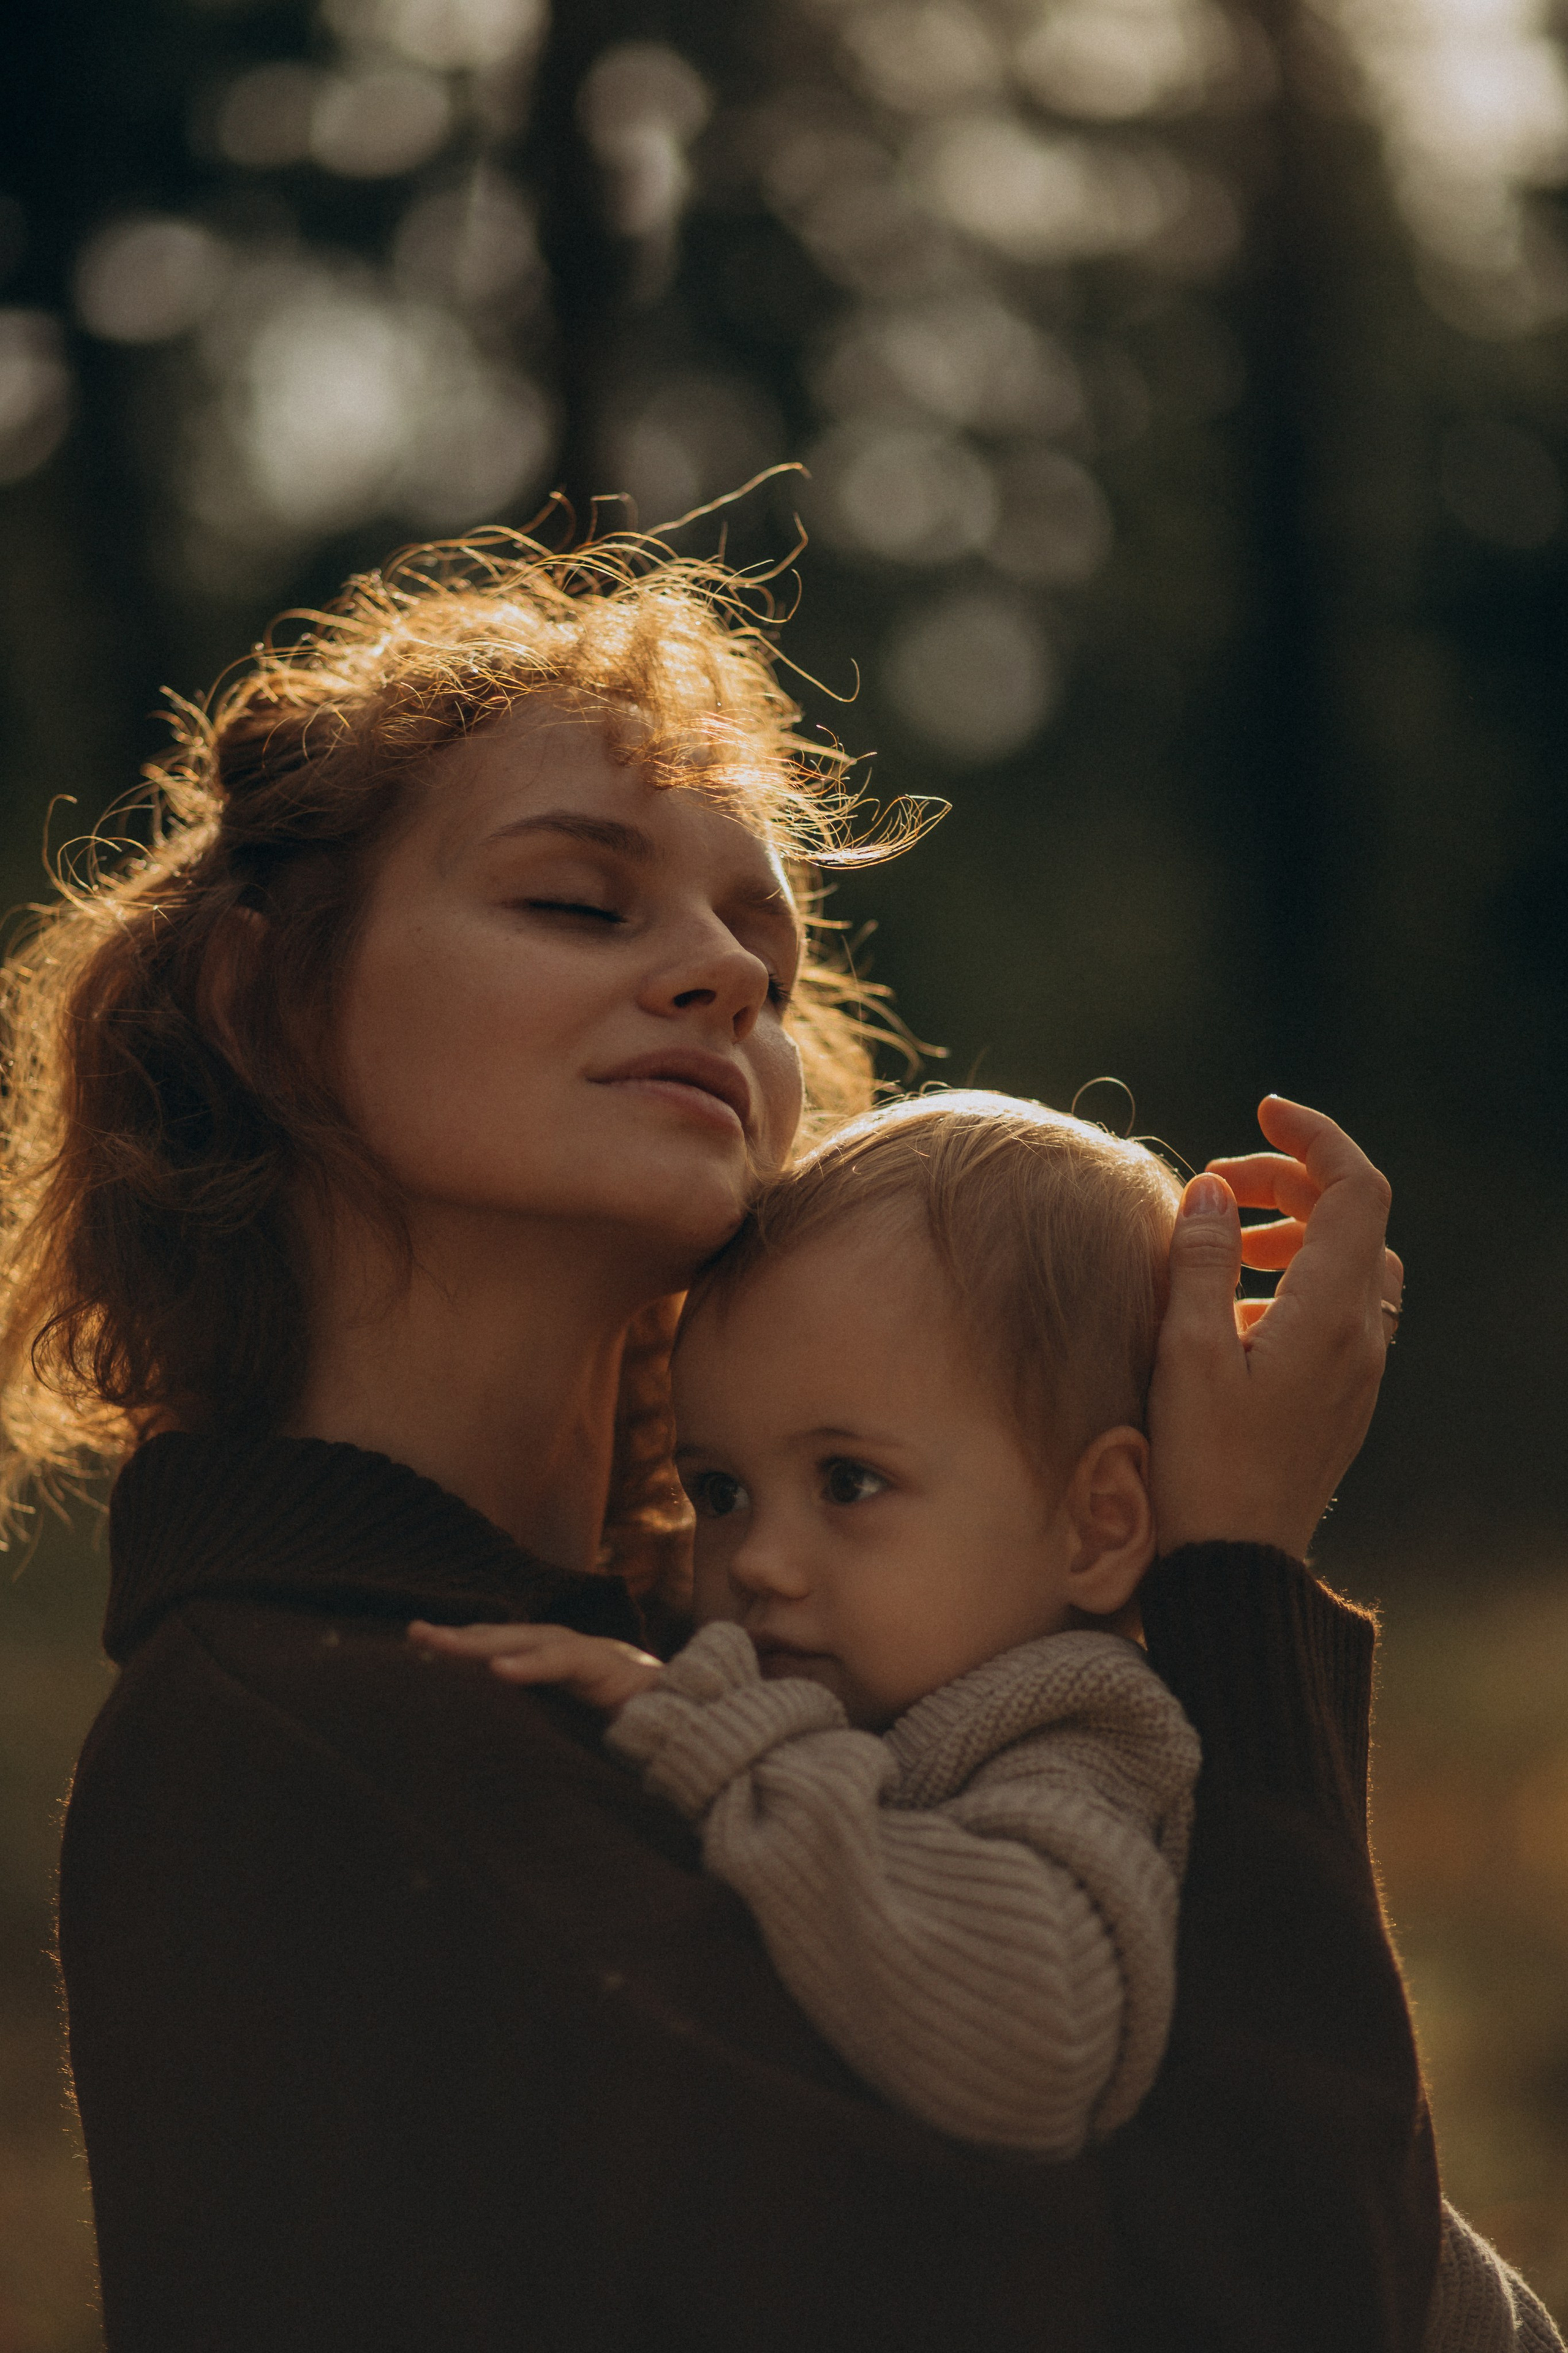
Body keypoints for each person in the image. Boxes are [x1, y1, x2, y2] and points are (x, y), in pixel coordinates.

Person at [0, 528, 1539, 2349]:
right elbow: (1265, 2305)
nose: (723, 976)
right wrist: (1239, 1582)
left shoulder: (743, 1672)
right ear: (264, 1001)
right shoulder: (308, 1746)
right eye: (582, 901)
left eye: (768, 945)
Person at [414, 1092, 1206, 2160]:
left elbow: (1029, 2040)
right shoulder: (880, 1699)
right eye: (721, 1491)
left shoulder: (1084, 1737)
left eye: (848, 1480)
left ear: (1096, 1523)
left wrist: (709, 1740)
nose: (758, 1561)